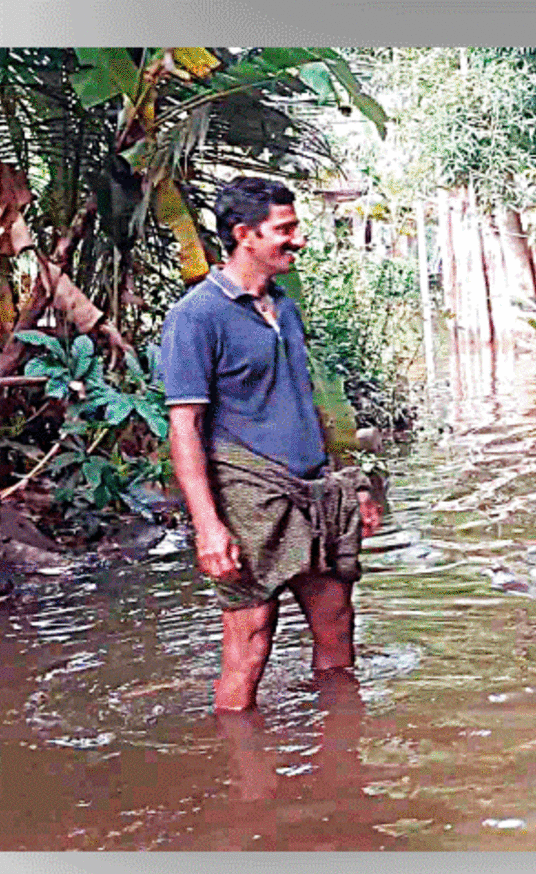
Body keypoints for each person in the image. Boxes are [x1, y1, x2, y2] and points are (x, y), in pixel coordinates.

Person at [161, 176, 382, 712]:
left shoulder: (285, 306)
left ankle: (339, 760)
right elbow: (184, 427)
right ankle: (244, 779)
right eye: (284, 229)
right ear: (244, 235)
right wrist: (208, 528)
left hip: (315, 489)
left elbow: (310, 399)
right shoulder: (196, 317)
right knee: (252, 637)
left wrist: (352, 484)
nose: (297, 239)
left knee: (336, 623)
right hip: (250, 494)